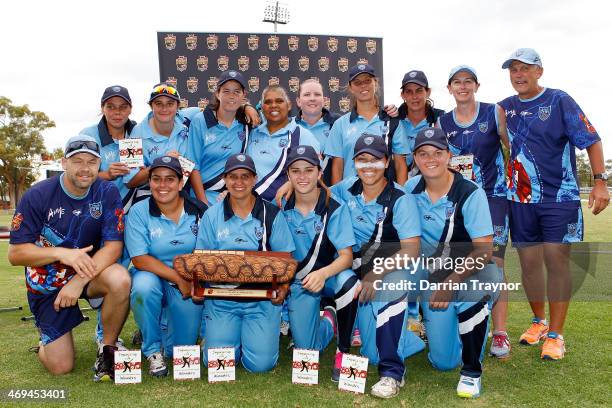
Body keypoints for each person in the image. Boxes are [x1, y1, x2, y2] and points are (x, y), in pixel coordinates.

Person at [498, 48, 609, 360]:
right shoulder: (503, 109)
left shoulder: (559, 100)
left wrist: (600, 181)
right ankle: (539, 323)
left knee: (556, 261)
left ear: (539, 72)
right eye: (513, 70)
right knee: (529, 265)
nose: (518, 75)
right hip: (519, 200)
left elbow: (592, 139)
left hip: (559, 198)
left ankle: (557, 335)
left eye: (525, 69)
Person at [8, 135, 130, 382]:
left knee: (120, 278)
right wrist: (61, 253)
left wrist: (78, 281)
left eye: (92, 162)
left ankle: (107, 351)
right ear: (64, 163)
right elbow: (16, 254)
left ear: (99, 165)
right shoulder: (37, 195)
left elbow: (114, 247)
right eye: (77, 161)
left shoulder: (107, 191)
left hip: (87, 274)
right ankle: (45, 341)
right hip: (48, 282)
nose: (85, 168)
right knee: (61, 366)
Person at [405, 127, 502, 398]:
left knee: (477, 289)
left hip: (471, 270)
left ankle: (472, 371)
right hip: (432, 274)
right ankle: (445, 332)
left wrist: (452, 281)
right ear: (415, 158)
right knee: (443, 362)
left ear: (449, 155)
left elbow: (484, 249)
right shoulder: (410, 189)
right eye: (423, 154)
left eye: (437, 153)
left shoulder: (470, 192)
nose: (431, 159)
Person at [330, 134, 424, 398]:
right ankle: (406, 339)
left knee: (392, 286)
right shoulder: (345, 188)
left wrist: (376, 273)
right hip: (361, 268)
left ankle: (392, 374)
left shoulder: (400, 198)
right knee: (371, 352)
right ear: (354, 163)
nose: (368, 166)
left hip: (393, 268)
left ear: (386, 162)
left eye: (375, 160)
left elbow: (412, 249)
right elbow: (318, 193)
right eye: (362, 160)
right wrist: (291, 186)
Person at [195, 153, 296, 372]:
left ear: (254, 179)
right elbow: (202, 261)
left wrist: (283, 287)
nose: (239, 182)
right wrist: (200, 286)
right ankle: (216, 335)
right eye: (233, 177)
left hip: (261, 302)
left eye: (245, 176)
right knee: (217, 363)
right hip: (223, 300)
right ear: (225, 179)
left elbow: (286, 259)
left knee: (260, 365)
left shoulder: (272, 214)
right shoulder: (212, 215)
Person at [438, 65, 512, 359]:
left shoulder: (494, 112)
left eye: (468, 81)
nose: (463, 86)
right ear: (450, 88)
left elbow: (511, 148)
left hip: (493, 197)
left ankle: (501, 332)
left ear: (477, 86)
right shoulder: (443, 121)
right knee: (460, 260)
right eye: (457, 82)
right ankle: (465, 319)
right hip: (458, 199)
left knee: (493, 263)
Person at [281, 145, 360, 381]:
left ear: (319, 173)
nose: (302, 176)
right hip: (300, 283)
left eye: (308, 170)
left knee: (349, 283)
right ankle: (328, 321)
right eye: (296, 171)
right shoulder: (281, 206)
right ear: (288, 175)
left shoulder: (334, 207)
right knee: (307, 350)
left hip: (330, 276)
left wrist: (323, 274)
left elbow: (347, 257)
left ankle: (343, 351)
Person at [125, 156, 207, 377]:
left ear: (181, 183)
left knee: (177, 349)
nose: (163, 185)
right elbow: (140, 258)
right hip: (151, 274)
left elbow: (208, 254)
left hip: (188, 279)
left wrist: (189, 281)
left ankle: (158, 331)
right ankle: (152, 349)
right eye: (156, 179)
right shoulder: (139, 211)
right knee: (143, 288)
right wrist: (177, 278)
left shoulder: (199, 210)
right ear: (149, 182)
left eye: (170, 179)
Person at [80, 85, 136, 349]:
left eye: (122, 106)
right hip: (100, 217)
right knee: (111, 274)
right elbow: (75, 177)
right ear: (102, 108)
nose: (117, 112)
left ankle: (150, 331)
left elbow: (185, 115)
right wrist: (105, 174)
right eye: (111, 106)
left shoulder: (138, 131)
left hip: (133, 215)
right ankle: (105, 337)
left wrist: (250, 108)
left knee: (134, 272)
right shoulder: (89, 135)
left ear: (130, 108)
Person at [187, 70, 261, 206]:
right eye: (226, 91)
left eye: (236, 92)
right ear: (217, 94)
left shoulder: (246, 122)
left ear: (244, 95)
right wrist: (203, 204)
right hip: (202, 195)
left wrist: (247, 107)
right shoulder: (201, 120)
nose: (231, 96)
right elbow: (193, 165)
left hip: (231, 195)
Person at [324, 64, 403, 183]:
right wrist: (337, 198)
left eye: (367, 80)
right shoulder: (340, 124)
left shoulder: (392, 121)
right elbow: (337, 167)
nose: (363, 85)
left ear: (375, 83)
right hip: (349, 197)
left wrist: (402, 197)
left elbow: (400, 165)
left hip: (384, 197)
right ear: (350, 87)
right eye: (357, 82)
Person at [245, 85, 320, 202]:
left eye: (279, 101)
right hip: (251, 207)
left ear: (289, 105)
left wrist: (292, 183)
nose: (273, 105)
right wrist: (245, 106)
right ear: (262, 107)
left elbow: (317, 173)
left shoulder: (302, 135)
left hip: (284, 208)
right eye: (268, 102)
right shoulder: (252, 133)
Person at [124, 83, 191, 202]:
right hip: (149, 195)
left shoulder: (188, 121)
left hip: (183, 192)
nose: (164, 109)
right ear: (151, 106)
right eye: (158, 104)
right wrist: (162, 163)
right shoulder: (135, 135)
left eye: (170, 104)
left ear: (178, 106)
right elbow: (129, 182)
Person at [392, 70, 445, 184]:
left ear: (428, 92)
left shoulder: (441, 119)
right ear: (403, 95)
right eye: (409, 92)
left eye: (419, 91)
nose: (414, 96)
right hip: (396, 186)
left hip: (431, 185)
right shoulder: (393, 120)